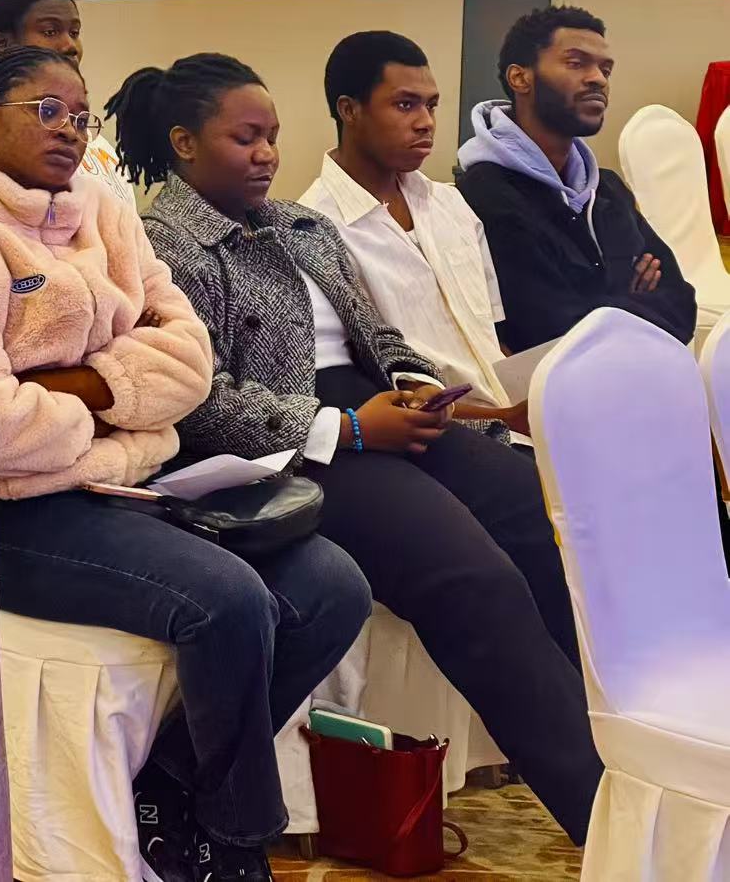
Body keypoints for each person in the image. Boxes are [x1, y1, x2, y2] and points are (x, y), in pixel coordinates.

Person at [0, 48, 369, 882]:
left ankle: (169, 784)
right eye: (47, 111)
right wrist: (121, 396)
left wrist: (73, 388)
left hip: (126, 483)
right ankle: (234, 838)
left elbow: (189, 363)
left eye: (81, 115)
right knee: (227, 601)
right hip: (8, 512)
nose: (70, 130)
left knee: (333, 585)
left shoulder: (105, 211)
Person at [118, 53, 604, 844]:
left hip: (380, 409)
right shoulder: (162, 245)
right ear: (184, 143)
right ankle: (604, 815)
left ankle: (644, 765)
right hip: (294, 447)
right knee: (473, 579)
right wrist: (346, 429)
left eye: (272, 136)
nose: (267, 155)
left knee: (545, 521)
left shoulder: (299, 226)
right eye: (245, 138)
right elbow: (197, 400)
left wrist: (415, 384)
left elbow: (378, 333)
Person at [300, 31, 526, 432]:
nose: (426, 122)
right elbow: (362, 394)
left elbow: (491, 339)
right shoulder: (314, 228)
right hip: (430, 440)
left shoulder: (450, 204)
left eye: (431, 105)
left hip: (510, 416)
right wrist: (504, 418)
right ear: (349, 110)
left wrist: (534, 399)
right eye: (405, 105)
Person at [456, 5, 697, 351]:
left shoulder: (608, 188)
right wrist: (629, 295)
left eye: (605, 69)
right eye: (576, 63)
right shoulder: (485, 193)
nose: (598, 78)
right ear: (520, 78)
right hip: (550, 385)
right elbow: (546, 331)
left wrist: (603, 307)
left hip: (641, 370)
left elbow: (682, 304)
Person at [0, 0, 131, 201]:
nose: (70, 46)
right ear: (3, 44)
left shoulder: (96, 143)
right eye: (50, 32)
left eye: (74, 33)